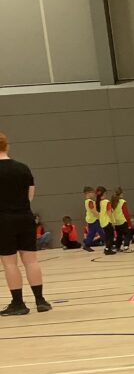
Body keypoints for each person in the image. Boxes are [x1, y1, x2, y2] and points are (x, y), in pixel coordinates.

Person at [0, 132, 51, 316]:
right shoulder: (23, 168)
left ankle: (18, 303)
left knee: (10, 263)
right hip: (25, 217)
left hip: (3, 220)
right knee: (31, 260)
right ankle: (40, 301)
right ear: (7, 146)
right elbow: (30, 196)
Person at [81, 186, 103, 252]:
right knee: (101, 232)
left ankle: (87, 245)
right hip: (94, 220)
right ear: (87, 193)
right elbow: (93, 211)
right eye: (92, 192)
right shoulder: (90, 202)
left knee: (91, 233)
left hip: (91, 219)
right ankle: (108, 244)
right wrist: (99, 217)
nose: (94, 194)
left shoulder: (88, 201)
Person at [95, 186, 116, 256]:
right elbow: (109, 213)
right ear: (104, 193)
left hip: (103, 222)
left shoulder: (99, 202)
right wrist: (113, 221)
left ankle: (107, 248)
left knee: (107, 236)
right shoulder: (106, 202)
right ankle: (107, 249)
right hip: (108, 221)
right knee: (110, 236)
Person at [110, 188, 132, 252]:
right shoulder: (122, 202)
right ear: (121, 194)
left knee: (119, 235)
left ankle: (117, 247)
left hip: (116, 222)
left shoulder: (112, 202)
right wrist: (129, 223)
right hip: (122, 220)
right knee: (127, 233)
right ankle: (126, 247)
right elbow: (126, 213)